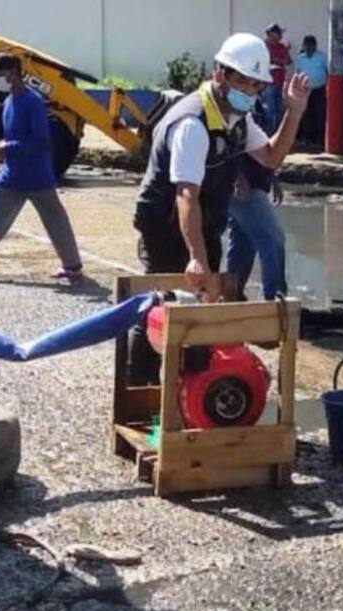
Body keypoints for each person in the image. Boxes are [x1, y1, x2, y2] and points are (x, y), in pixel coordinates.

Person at [128, 33, 310, 382]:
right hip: (165, 227)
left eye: (256, 85)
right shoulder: (192, 124)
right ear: (220, 76)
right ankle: (141, 393)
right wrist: (196, 256)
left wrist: (294, 113)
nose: (250, 91)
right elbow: (186, 196)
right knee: (159, 310)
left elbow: (271, 156)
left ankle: (193, 397)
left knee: (202, 314)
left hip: (206, 224)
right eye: (243, 81)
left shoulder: (237, 119)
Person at [0, 52, 83, 282]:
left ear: (12, 74)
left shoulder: (33, 102)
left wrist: (8, 147)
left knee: (54, 220)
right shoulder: (9, 102)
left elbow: (41, 142)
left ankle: (72, 265)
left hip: (37, 176)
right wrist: (2, 151)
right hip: (12, 174)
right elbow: (14, 137)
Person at [226, 106, 287, 301]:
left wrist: (272, 178)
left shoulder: (259, 104)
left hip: (255, 181)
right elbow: (227, 141)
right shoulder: (233, 104)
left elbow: (264, 146)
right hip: (245, 185)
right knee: (272, 239)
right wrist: (236, 176)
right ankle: (274, 297)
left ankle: (232, 294)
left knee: (243, 243)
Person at [293, 34, 328, 148]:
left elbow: (328, 72)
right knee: (305, 115)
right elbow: (297, 74)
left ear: (315, 46)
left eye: (311, 45)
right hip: (305, 91)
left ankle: (319, 140)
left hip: (319, 90)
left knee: (319, 115)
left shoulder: (322, 57)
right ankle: (306, 139)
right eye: (306, 45)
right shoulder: (300, 59)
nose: (308, 47)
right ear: (304, 46)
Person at [262, 23, 291, 134]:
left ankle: (278, 134)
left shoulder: (281, 46)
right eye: (277, 33)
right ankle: (268, 135)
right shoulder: (263, 46)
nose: (280, 36)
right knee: (269, 110)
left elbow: (288, 61)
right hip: (268, 82)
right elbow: (266, 60)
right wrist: (279, 61)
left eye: (280, 34)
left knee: (279, 109)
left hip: (280, 81)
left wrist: (286, 51)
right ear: (270, 34)